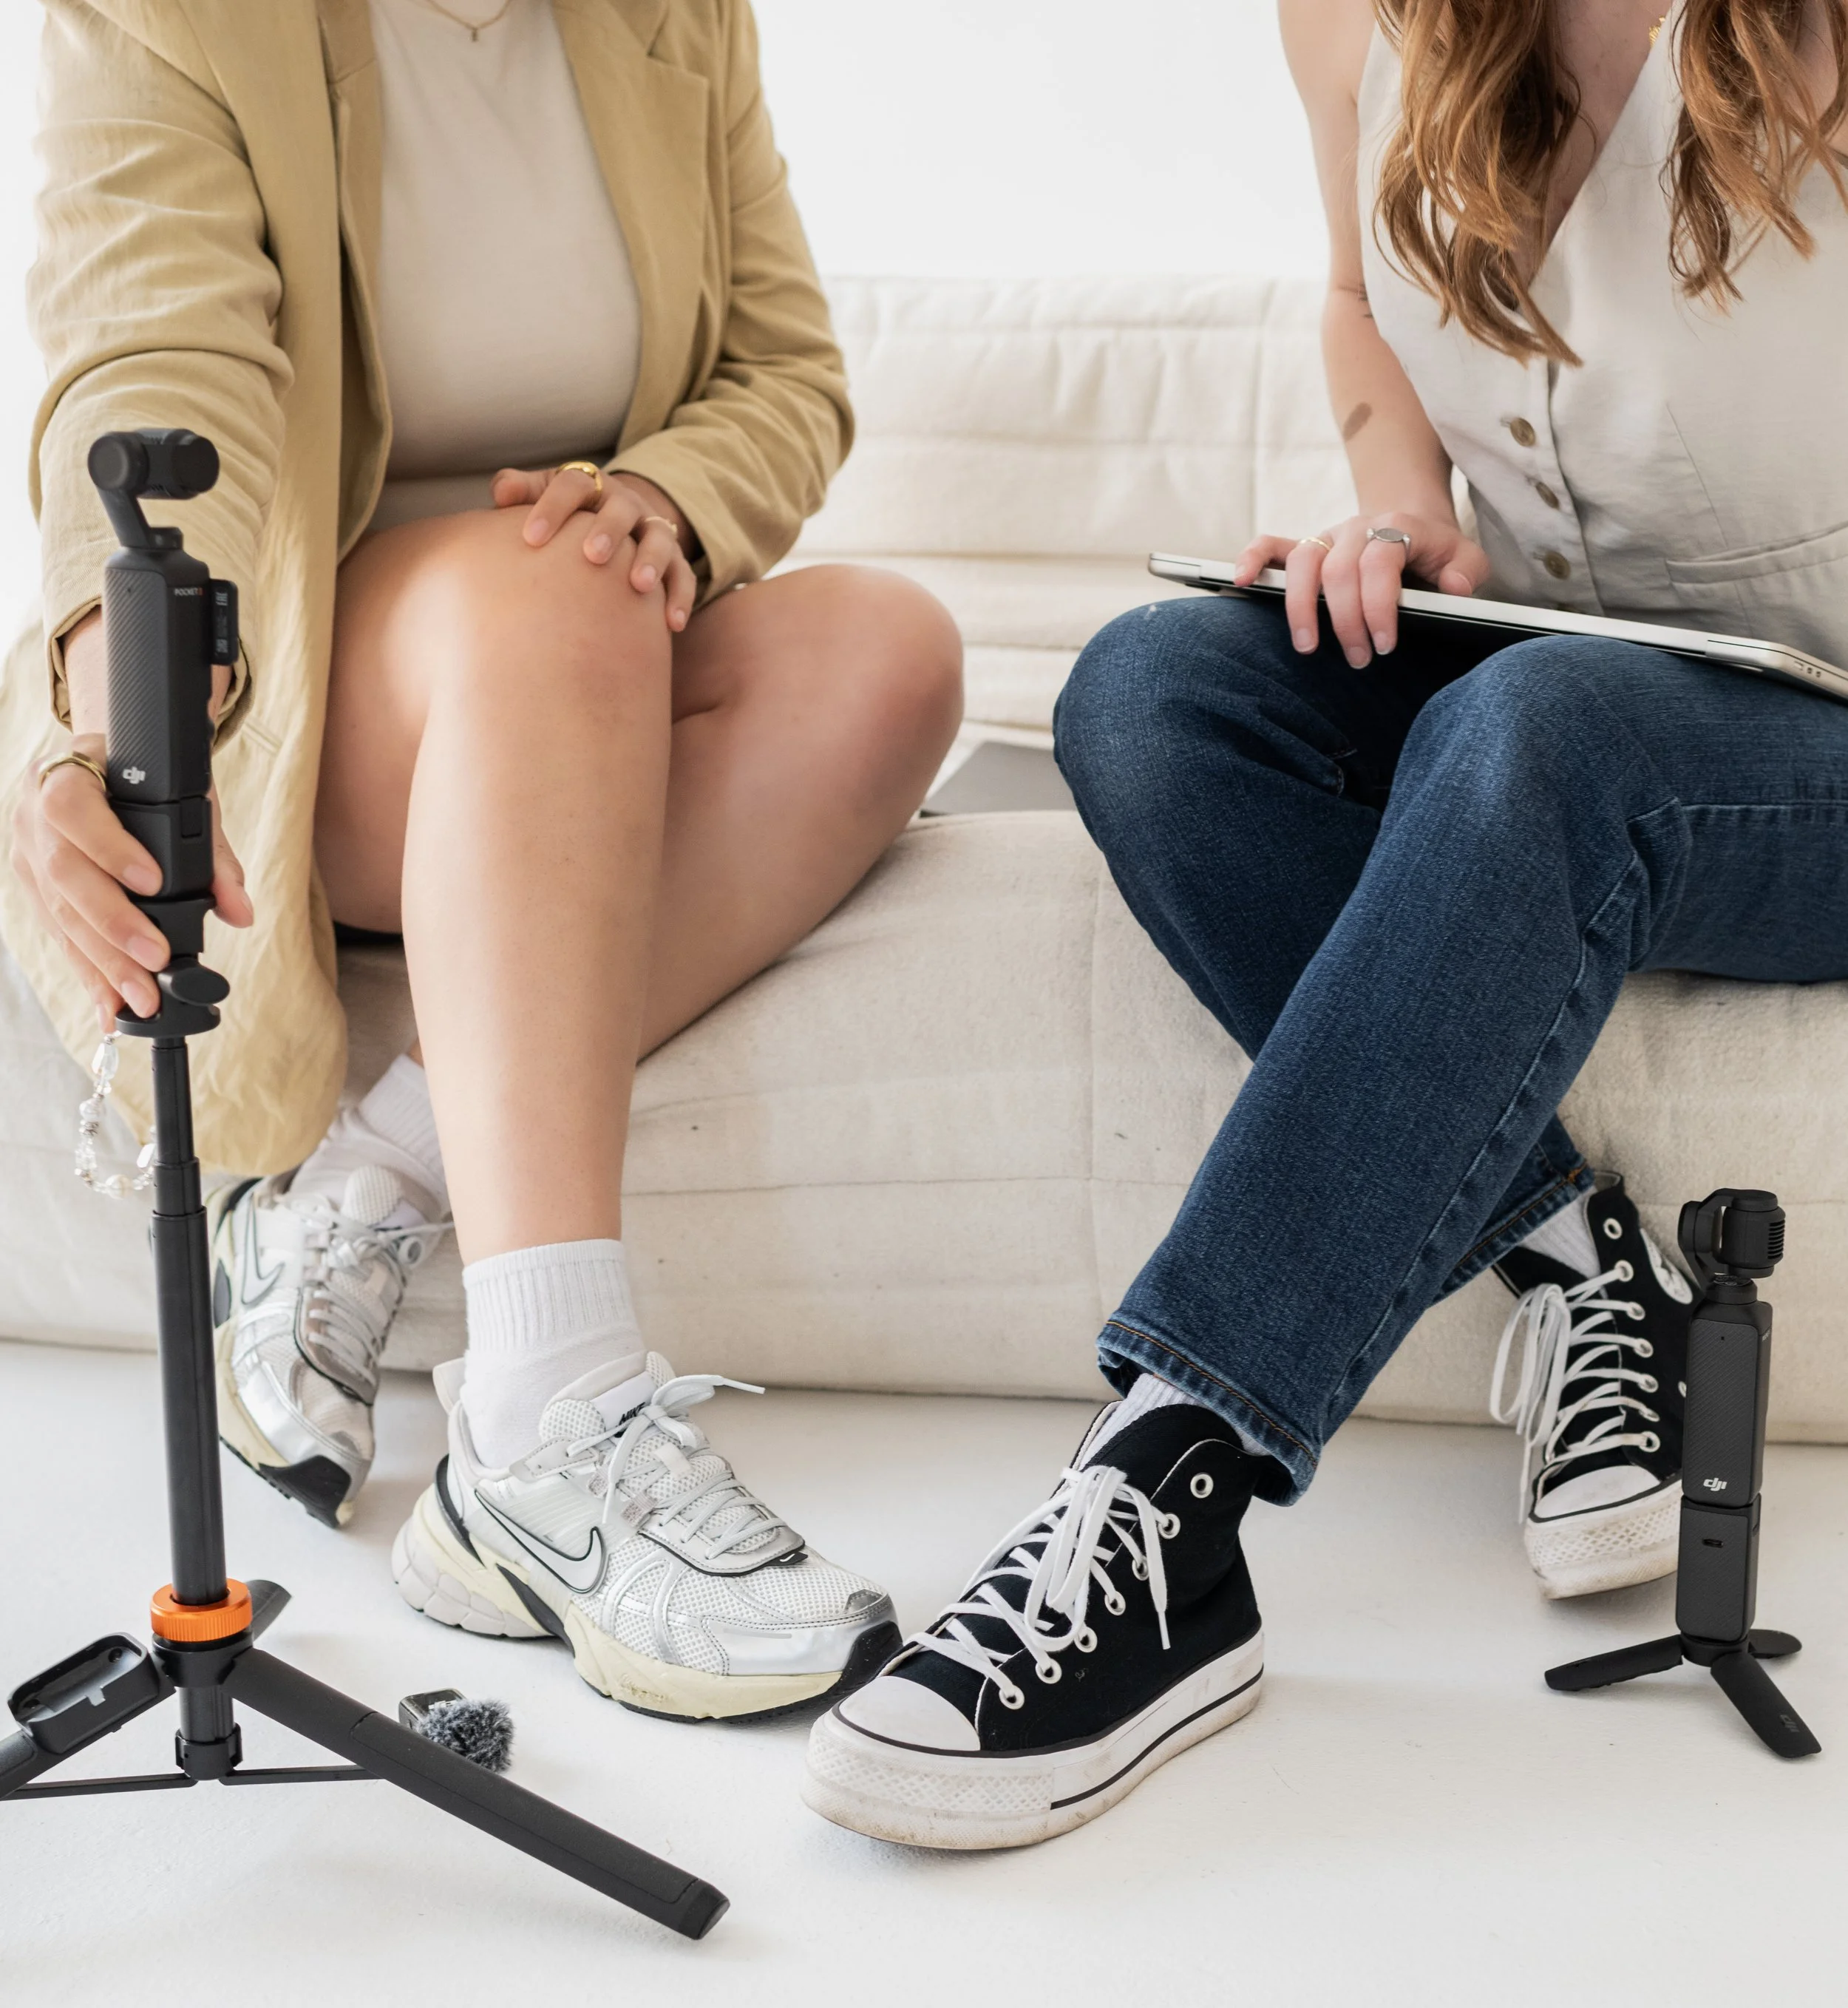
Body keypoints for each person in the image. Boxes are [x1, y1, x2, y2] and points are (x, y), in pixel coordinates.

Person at [806, 0, 1848, 1848]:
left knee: (1530, 732)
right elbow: (1357, 302)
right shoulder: (1353, 19)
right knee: (1151, 696)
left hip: (1799, 741)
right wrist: (1402, 514)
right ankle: (1568, 1251)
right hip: (1546, 677)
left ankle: (1167, 1500)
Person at [6, 0, 962, 1724]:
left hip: (594, 625)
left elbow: (782, 368)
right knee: (551, 590)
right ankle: (542, 1426)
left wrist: (666, 493)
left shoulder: (674, 17)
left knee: (886, 649)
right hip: (325, 689)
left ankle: (360, 1189)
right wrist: (111, 709)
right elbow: (153, 388)